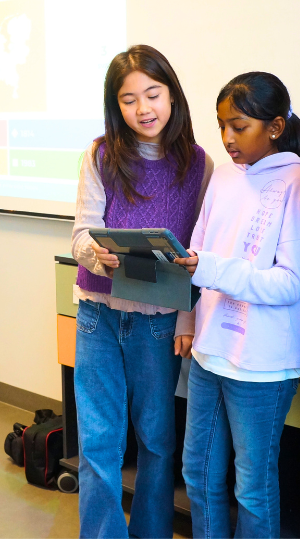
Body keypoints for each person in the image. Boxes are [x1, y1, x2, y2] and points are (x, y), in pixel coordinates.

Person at [71, 44, 214, 539]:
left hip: (158, 320)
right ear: (117, 106)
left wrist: (188, 316)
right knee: (99, 442)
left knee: (157, 441)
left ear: (172, 95)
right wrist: (96, 254)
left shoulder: (198, 165)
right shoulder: (101, 155)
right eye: (129, 100)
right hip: (98, 314)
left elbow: (199, 248)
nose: (143, 109)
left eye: (152, 94)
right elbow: (81, 233)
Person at [172, 71, 300, 538]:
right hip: (209, 351)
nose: (227, 138)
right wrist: (187, 316)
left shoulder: (299, 183)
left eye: (239, 126)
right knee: (197, 472)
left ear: (275, 127)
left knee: (252, 488)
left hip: (261, 364)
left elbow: (289, 283)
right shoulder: (222, 177)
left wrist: (208, 268)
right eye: (221, 126)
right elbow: (192, 256)